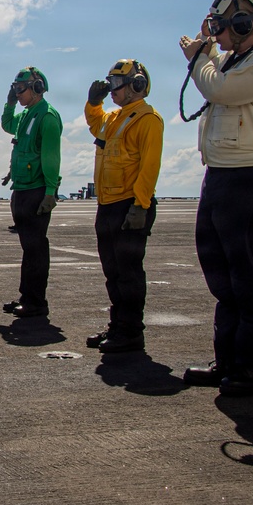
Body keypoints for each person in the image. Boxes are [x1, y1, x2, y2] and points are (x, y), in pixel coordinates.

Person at [178, 0, 253, 396]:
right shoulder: (239, 58)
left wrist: (199, 56)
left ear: (245, 24)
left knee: (247, 275)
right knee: (222, 274)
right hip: (222, 175)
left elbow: (221, 90)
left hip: (249, 177)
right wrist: (209, 55)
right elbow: (222, 81)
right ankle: (228, 359)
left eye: (222, 27)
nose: (215, 35)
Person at [84, 59, 164, 353]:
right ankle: (117, 325)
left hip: (130, 206)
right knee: (113, 272)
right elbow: (96, 124)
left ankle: (131, 331)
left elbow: (149, 165)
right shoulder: (115, 118)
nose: (112, 89)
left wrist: (140, 206)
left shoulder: (147, 119)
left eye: (116, 83)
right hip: (108, 205)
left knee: (129, 273)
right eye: (110, 82)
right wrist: (94, 104)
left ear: (138, 85)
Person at [1, 66, 62, 317]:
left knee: (36, 249)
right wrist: (9, 104)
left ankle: (36, 302)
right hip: (22, 189)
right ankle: (27, 296)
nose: (17, 94)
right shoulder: (27, 115)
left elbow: (51, 157)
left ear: (37, 88)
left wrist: (50, 192)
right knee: (29, 249)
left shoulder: (46, 116)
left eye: (21, 89)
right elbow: (7, 125)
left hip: (37, 190)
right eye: (15, 89)